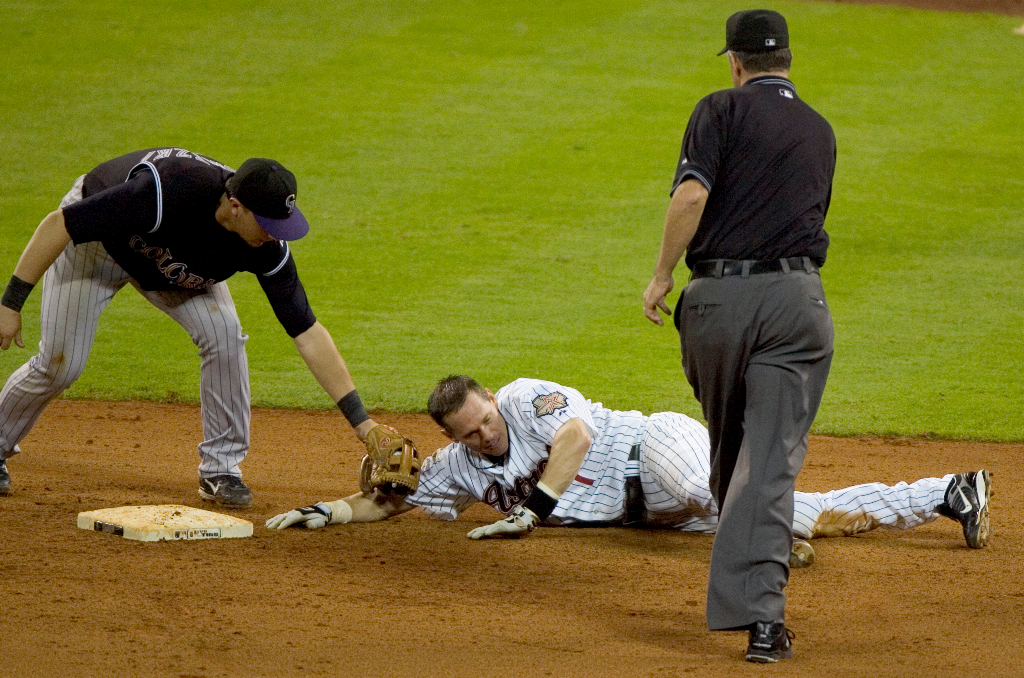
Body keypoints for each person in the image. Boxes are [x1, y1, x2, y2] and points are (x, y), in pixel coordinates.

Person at [0, 147, 404, 506]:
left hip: (171, 266)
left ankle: (221, 470)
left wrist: (361, 421)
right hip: (97, 249)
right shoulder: (161, 193)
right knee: (60, 365)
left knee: (225, 335)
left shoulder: (264, 244)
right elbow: (60, 224)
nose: (274, 235)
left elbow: (307, 332)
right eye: (266, 224)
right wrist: (11, 303)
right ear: (234, 206)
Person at [266, 374, 991, 574]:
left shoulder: (527, 398)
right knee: (810, 513)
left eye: (486, 421)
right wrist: (332, 508)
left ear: (491, 400)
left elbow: (578, 436)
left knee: (708, 489)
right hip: (657, 516)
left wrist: (534, 510)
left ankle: (757, 540)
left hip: (659, 448)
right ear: (452, 437)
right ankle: (948, 492)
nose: (487, 434)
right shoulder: (460, 468)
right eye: (471, 433)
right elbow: (394, 501)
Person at [640, 9, 843, 661]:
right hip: (794, 303)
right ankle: (759, 614)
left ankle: (761, 613)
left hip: (715, 306)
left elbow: (692, 196)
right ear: (789, 59)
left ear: (735, 61)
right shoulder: (820, 131)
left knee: (738, 457)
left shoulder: (719, 110)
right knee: (766, 460)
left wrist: (662, 276)